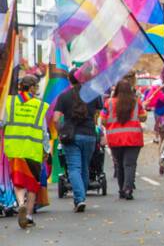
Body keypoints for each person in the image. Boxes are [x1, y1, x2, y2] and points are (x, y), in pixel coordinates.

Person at [3, 74, 50, 228]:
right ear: (31, 88)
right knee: (33, 183)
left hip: (14, 149)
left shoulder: (9, 103)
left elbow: (2, 122)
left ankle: (20, 202)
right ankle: (28, 215)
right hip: (33, 150)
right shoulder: (39, 105)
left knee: (18, 181)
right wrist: (46, 149)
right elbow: (44, 131)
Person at [52, 77, 103, 212]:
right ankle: (81, 197)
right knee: (85, 168)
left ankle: (79, 199)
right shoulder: (93, 95)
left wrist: (61, 131)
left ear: (70, 80)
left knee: (74, 168)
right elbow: (98, 115)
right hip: (89, 135)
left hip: (71, 136)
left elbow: (56, 119)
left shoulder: (64, 96)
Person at [102, 76, 145, 199]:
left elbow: (104, 120)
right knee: (130, 164)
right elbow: (143, 117)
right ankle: (128, 189)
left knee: (119, 165)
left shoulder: (109, 103)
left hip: (115, 139)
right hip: (134, 138)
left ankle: (121, 189)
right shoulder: (137, 102)